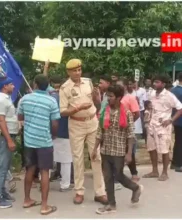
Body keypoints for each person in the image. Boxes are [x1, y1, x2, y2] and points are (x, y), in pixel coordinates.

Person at [59, 58, 107, 205]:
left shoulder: (88, 82)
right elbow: (62, 112)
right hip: (76, 124)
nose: (78, 73)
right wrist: (78, 108)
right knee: (78, 158)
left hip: (92, 122)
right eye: (74, 70)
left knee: (96, 156)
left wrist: (97, 98)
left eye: (79, 70)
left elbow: (97, 104)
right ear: (68, 72)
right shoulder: (64, 88)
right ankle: (79, 191)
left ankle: (100, 192)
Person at [91, 85, 143, 214]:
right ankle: (111, 204)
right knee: (107, 177)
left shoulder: (126, 113)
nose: (108, 98)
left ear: (119, 98)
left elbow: (131, 134)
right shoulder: (105, 111)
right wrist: (94, 149)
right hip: (105, 150)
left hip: (119, 150)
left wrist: (129, 153)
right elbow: (100, 131)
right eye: (107, 96)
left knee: (118, 175)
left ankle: (135, 188)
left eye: (111, 96)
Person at [18, 74, 60, 215]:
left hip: (29, 141)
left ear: (35, 84)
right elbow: (55, 123)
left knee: (30, 169)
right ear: (47, 85)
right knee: (44, 172)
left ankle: (27, 199)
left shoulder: (24, 99)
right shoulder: (51, 101)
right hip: (44, 141)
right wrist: (53, 135)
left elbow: (20, 117)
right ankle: (44, 206)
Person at [143, 75, 182, 181]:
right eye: (154, 82)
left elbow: (180, 108)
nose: (154, 84)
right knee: (151, 149)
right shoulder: (151, 93)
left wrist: (171, 120)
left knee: (164, 150)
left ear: (163, 84)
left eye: (157, 82)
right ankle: (154, 171)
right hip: (151, 125)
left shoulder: (169, 95)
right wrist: (147, 108)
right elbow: (148, 105)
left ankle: (165, 172)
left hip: (164, 127)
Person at [0, 77, 18, 209]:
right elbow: (1, 121)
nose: (13, 86)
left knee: (5, 167)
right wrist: (9, 140)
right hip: (3, 137)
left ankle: (2, 192)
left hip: (7, 136)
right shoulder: (1, 101)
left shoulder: (6, 99)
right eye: (11, 84)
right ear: (5, 86)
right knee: (1, 168)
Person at [49, 75, 74, 191]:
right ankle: (65, 185)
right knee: (66, 160)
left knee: (48, 159)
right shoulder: (70, 99)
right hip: (65, 132)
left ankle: (43, 182)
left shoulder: (51, 97)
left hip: (50, 132)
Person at [116, 79, 140, 182]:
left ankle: (134, 173)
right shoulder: (116, 98)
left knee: (129, 151)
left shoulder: (130, 98)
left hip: (127, 129)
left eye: (120, 86)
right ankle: (118, 173)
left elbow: (137, 113)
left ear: (125, 86)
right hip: (116, 129)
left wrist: (129, 124)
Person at [166, 73, 182, 172]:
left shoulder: (172, 90)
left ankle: (175, 163)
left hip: (175, 119)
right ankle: (178, 164)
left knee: (178, 141)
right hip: (180, 119)